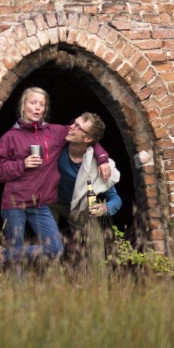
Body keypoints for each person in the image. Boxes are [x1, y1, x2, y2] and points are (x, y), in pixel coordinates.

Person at [0, 87, 111, 270]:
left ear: (45, 109)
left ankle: (1, 254)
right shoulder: (10, 137)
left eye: (41, 104)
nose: (37, 108)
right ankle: (19, 295)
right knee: (17, 265)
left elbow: (86, 136)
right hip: (14, 204)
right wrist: (23, 164)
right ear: (24, 105)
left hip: (41, 205)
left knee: (54, 250)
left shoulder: (55, 132)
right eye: (33, 102)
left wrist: (102, 159)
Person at [49, 111, 122, 268]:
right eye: (73, 122)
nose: (71, 127)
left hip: (80, 207)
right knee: (50, 245)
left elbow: (116, 199)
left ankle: (98, 289)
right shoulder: (58, 146)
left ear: (88, 139)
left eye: (77, 127)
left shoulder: (99, 166)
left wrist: (105, 208)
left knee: (96, 246)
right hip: (52, 202)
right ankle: (51, 282)